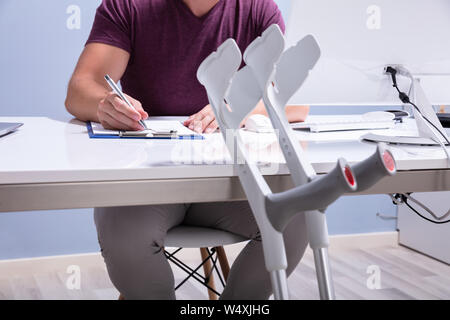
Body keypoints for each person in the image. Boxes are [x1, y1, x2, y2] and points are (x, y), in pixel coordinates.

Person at [65, 0, 309, 300]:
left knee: (296, 214)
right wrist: (105, 105)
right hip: (148, 184)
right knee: (122, 232)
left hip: (229, 184)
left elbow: (292, 99)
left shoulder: (258, 8)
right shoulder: (128, 5)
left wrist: (239, 106)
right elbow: (80, 88)